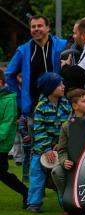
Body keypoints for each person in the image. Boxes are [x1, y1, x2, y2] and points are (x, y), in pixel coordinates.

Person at [5, 15, 69, 181]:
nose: (36, 29)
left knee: (62, 147)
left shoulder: (62, 45)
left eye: (40, 26)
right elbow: (9, 74)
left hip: (61, 106)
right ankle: (36, 188)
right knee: (38, 148)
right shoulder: (24, 50)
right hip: (34, 107)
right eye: (33, 27)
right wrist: (21, 98)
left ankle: (59, 183)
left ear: (48, 28)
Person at [26, 73, 71, 212]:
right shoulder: (41, 107)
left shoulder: (66, 105)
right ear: (50, 87)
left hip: (60, 149)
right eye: (59, 85)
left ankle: (66, 204)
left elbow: (68, 126)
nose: (63, 87)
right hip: (41, 150)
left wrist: (60, 144)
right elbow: (39, 130)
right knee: (37, 176)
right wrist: (46, 149)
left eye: (63, 84)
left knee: (61, 177)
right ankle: (34, 203)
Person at [50, 89, 85, 207]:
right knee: (57, 171)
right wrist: (64, 161)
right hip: (74, 164)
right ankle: (68, 202)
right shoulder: (66, 126)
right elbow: (62, 150)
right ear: (75, 106)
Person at [0, 71, 27, 207]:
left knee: (2, 173)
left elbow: (7, 123)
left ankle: (26, 192)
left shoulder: (9, 99)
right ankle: (26, 192)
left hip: (2, 144)